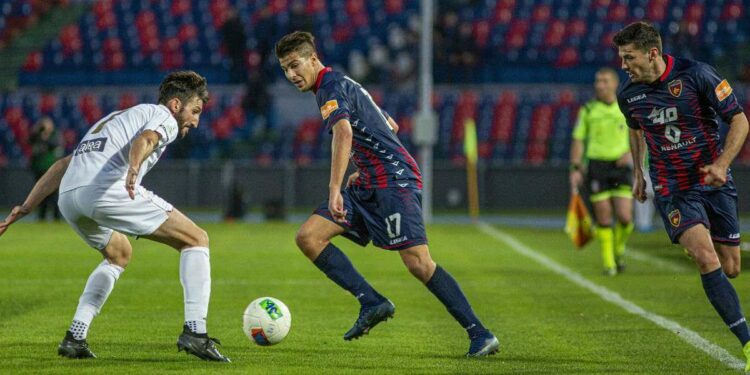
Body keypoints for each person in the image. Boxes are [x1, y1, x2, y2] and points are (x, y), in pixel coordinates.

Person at [275, 31, 498, 357]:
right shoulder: (343, 83)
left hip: (394, 181)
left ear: (312, 58)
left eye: (294, 65)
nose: (291, 75)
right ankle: (372, 302)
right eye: (284, 69)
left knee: (419, 263)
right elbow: (388, 124)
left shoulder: (330, 88)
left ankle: (480, 333)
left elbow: (344, 131)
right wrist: (362, 164)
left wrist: (335, 187)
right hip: (369, 181)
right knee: (309, 237)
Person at [0, 71, 229, 362]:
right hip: (106, 189)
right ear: (175, 105)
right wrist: (134, 169)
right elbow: (146, 139)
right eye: (195, 111)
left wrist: (26, 206)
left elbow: (62, 164)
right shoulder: (163, 117)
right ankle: (195, 332)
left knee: (119, 253)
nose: (196, 120)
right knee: (196, 239)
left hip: (70, 197)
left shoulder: (115, 118)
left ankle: (75, 336)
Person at [614, 22, 750, 369]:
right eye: (621, 58)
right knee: (706, 258)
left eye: (629, 57)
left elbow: (739, 121)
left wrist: (721, 164)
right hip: (673, 188)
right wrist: (638, 174)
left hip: (713, 181)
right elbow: (636, 130)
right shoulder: (628, 94)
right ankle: (748, 344)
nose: (624, 65)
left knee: (731, 268)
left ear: (653, 53)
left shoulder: (697, 75)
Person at [569, 67, 634, 276]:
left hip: (620, 166)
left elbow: (639, 135)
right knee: (604, 218)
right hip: (597, 166)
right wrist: (576, 167)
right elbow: (578, 140)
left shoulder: (626, 108)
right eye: (598, 81)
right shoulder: (588, 110)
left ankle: (618, 249)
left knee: (625, 217)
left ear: (615, 84)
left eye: (605, 81)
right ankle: (609, 264)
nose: (600, 85)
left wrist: (631, 155)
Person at [29, 116, 63, 221]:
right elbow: (29, 140)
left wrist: (46, 136)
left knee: (54, 195)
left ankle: (56, 217)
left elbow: (55, 144)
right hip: (40, 169)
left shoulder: (55, 134)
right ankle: (41, 217)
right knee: (41, 195)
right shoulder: (37, 135)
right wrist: (37, 130)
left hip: (53, 169)